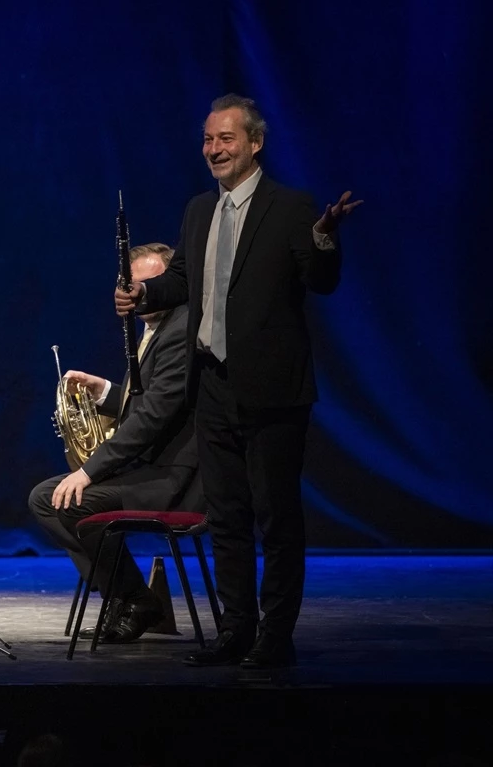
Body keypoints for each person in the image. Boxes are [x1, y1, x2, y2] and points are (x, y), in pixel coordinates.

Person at [115, 94, 362, 668]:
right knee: (225, 516)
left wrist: (325, 236)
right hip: (214, 385)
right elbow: (179, 281)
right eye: (207, 139)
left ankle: (275, 634)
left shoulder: (291, 207)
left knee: (276, 516)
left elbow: (320, 281)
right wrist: (144, 295)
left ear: (255, 143)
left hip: (273, 391)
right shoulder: (200, 210)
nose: (213, 150)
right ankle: (235, 629)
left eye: (226, 139)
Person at [28, 243, 199, 643]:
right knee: (46, 498)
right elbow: (148, 400)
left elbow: (155, 418)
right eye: (131, 284)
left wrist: (88, 472)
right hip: (149, 469)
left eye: (148, 283)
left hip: (172, 478)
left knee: (67, 500)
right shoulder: (155, 329)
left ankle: (131, 599)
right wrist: (106, 391)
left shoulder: (179, 330)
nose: (137, 292)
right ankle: (128, 598)